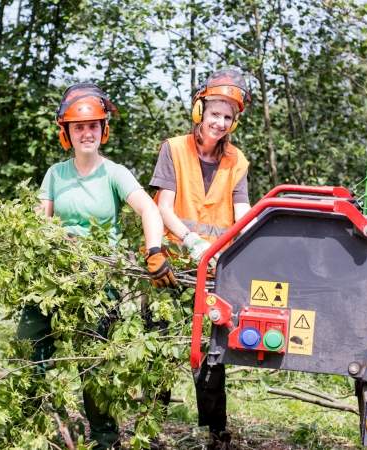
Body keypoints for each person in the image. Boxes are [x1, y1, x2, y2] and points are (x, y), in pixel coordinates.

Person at [18, 83, 177, 449]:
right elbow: (40, 222)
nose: (86, 133)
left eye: (93, 126)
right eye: (78, 127)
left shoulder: (114, 173)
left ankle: (105, 439)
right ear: (67, 133)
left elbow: (149, 208)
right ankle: (31, 428)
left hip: (98, 279)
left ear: (103, 130)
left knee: (94, 363)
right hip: (54, 275)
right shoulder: (55, 174)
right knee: (29, 345)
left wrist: (155, 249)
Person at [150, 69, 252, 449]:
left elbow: (242, 210)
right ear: (199, 110)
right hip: (174, 262)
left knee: (212, 349)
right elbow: (162, 205)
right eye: (215, 114)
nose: (220, 123)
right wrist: (190, 239)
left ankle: (215, 430)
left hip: (215, 269)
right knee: (158, 339)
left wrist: (242, 239)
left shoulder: (236, 161)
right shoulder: (173, 149)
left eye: (227, 117)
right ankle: (151, 422)